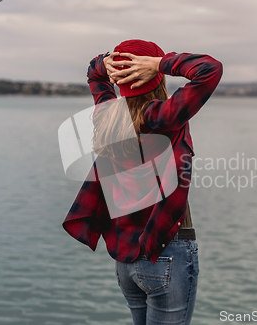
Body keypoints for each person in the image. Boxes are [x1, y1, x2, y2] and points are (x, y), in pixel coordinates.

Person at [62, 39, 223, 325]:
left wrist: (105, 63)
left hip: (125, 262)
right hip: (165, 254)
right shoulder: (164, 118)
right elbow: (209, 69)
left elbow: (93, 73)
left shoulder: (107, 116)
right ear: (151, 74)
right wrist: (161, 63)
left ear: (119, 76)